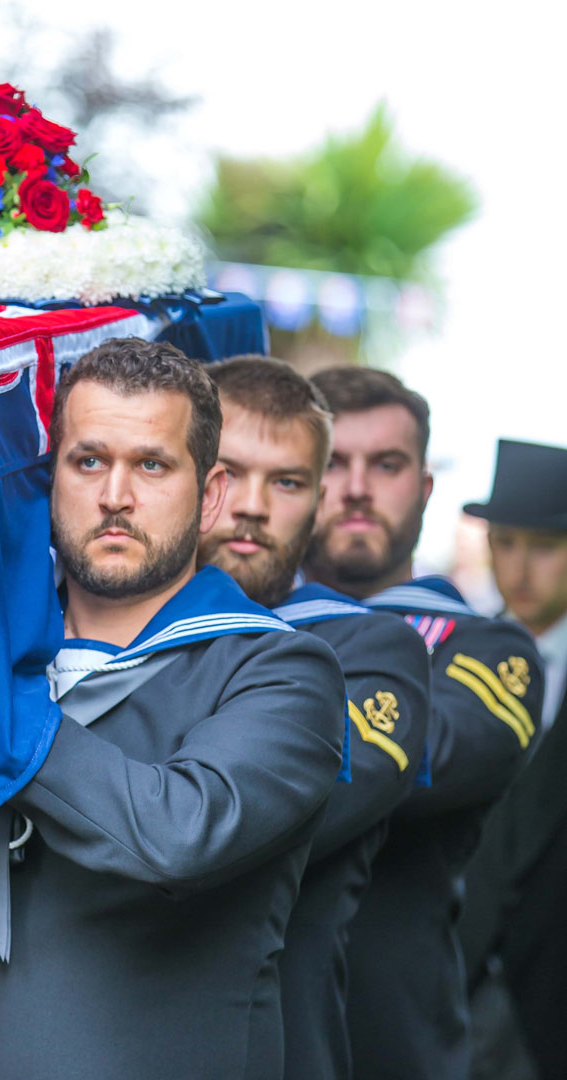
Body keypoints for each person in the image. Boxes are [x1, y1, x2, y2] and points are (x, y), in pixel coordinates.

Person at [0, 339, 347, 1079]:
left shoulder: (281, 668)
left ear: (209, 494)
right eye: (88, 461)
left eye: (151, 465)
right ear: (48, 479)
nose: (115, 494)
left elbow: (178, 836)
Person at [304, 366, 545, 1080]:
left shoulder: (488, 648)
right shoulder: (240, 626)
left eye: (386, 465)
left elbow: (422, 753)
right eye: (330, 463)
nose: (355, 487)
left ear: (426, 488)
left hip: (391, 1044)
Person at [198, 355, 431, 1080]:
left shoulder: (366, 649)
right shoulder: (80, 628)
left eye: (289, 481)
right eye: (227, 473)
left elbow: (216, 835)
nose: (252, 506)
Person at [459, 438, 567, 1080]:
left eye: (545, 546)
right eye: (505, 543)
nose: (521, 567)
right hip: (453, 994)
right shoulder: (449, 659)